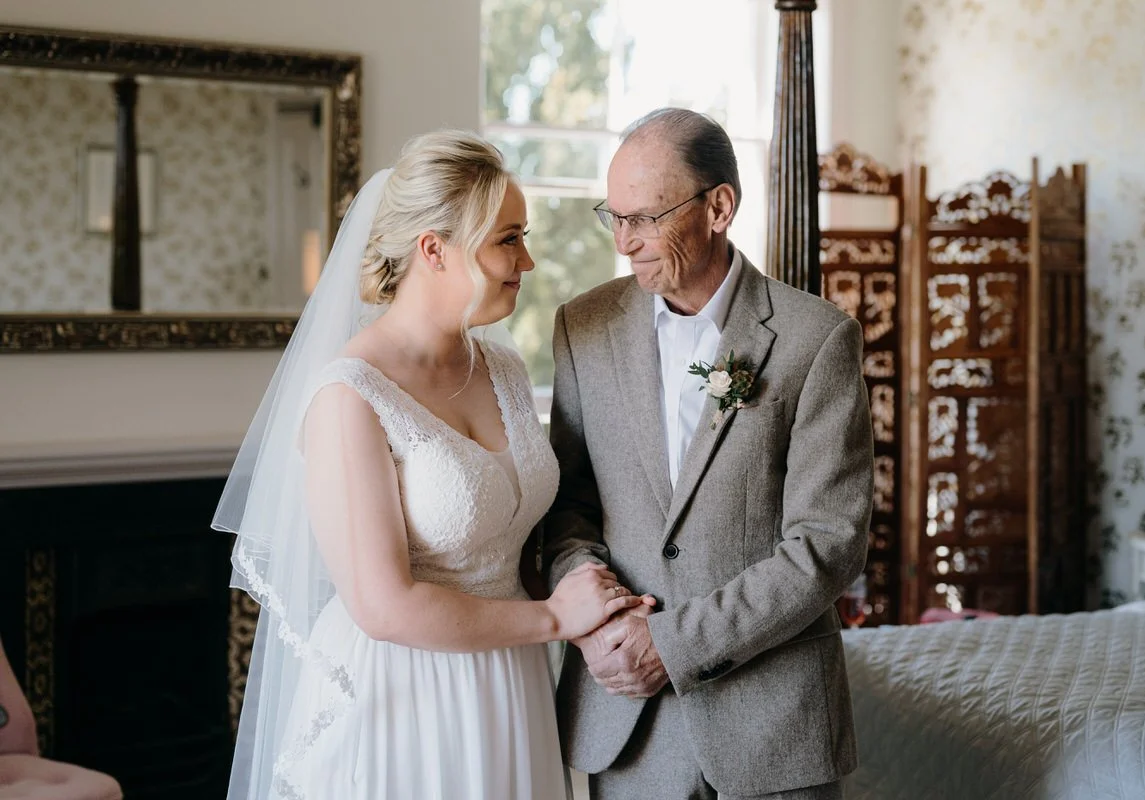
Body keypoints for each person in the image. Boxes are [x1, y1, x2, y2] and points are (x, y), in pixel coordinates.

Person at [213, 130, 651, 800]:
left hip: (512, 685)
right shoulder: (347, 396)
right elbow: (385, 606)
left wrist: (604, 611)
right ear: (433, 250)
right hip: (405, 698)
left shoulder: (502, 368)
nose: (527, 260)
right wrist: (557, 621)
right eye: (508, 238)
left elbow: (524, 535)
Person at [542, 108, 874, 800]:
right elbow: (567, 507)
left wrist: (675, 644)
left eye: (646, 218)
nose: (625, 243)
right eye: (615, 217)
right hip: (628, 725)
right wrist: (601, 616)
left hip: (775, 726)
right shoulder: (583, 327)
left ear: (718, 206)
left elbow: (829, 543)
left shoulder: (817, 339)